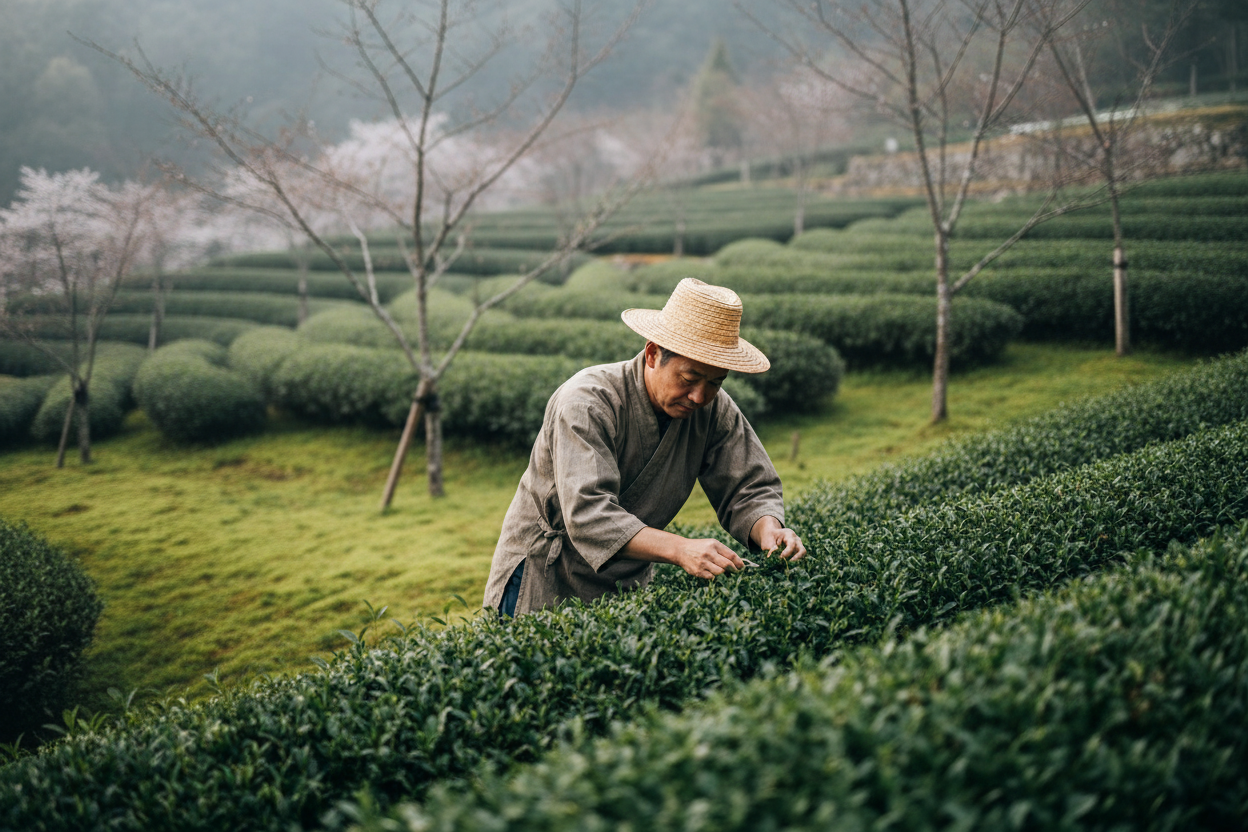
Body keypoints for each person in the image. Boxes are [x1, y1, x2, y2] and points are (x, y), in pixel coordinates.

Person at [482, 277, 806, 618]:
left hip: (625, 577)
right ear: (653, 354)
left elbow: (748, 485)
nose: (699, 396)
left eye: (715, 382)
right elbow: (588, 513)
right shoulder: (587, 403)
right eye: (689, 378)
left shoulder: (712, 409)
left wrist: (769, 530)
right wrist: (680, 549)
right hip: (546, 574)